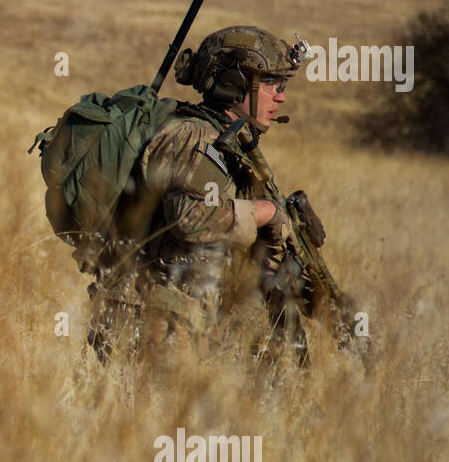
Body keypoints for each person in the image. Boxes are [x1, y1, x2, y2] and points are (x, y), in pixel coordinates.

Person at [86, 26, 309, 362]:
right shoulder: (193, 138)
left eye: (283, 86)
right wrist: (265, 212)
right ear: (235, 83)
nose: (281, 96)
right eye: (270, 84)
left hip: (177, 314)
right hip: (154, 317)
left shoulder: (226, 140)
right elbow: (191, 219)